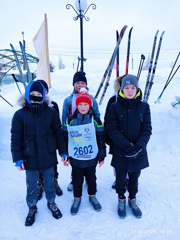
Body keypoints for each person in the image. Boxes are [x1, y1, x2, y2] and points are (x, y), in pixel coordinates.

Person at [11, 80, 68, 226]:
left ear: (43, 95)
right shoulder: (19, 115)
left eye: (39, 94)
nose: (36, 96)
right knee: (31, 184)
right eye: (32, 94)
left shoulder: (50, 113)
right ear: (27, 95)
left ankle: (51, 202)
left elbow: (58, 133)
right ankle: (32, 206)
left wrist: (63, 152)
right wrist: (17, 158)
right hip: (29, 157)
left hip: (48, 156)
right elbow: (16, 137)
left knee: (50, 181)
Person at [106, 74, 152, 219]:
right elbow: (111, 128)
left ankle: (132, 199)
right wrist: (126, 145)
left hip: (138, 151)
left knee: (134, 177)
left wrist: (140, 146)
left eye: (133, 87)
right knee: (120, 178)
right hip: (121, 150)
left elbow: (147, 129)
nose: (130, 90)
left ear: (137, 88)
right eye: (127, 87)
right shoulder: (115, 106)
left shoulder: (144, 106)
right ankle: (121, 199)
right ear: (122, 89)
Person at [63, 88, 106, 215]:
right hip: (76, 158)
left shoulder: (96, 121)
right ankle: (77, 198)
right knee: (77, 180)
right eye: (80, 104)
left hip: (91, 157)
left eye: (85, 104)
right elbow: (65, 138)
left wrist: (102, 155)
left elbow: (101, 138)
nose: (82, 107)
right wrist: (65, 154)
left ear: (90, 105)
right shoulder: (70, 120)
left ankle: (92, 196)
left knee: (91, 178)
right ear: (76, 105)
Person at [62, 71, 100, 191]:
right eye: (77, 83)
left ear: (86, 85)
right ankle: (75, 180)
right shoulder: (68, 100)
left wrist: (96, 129)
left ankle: (90, 180)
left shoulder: (91, 99)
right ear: (73, 84)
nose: (80, 85)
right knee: (75, 157)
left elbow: (97, 114)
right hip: (74, 133)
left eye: (82, 82)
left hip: (88, 132)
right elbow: (64, 117)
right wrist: (65, 132)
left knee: (89, 158)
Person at [36, 79, 63, 200]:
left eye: (44, 90)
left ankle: (54, 181)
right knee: (38, 164)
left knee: (53, 163)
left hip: (50, 141)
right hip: (37, 141)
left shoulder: (53, 105)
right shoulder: (32, 106)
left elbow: (57, 124)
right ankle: (40, 184)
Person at [104, 75, 129, 190]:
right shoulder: (113, 99)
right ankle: (118, 178)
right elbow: (107, 119)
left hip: (130, 136)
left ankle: (129, 179)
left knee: (130, 157)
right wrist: (108, 137)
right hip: (116, 137)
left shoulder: (134, 99)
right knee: (118, 160)